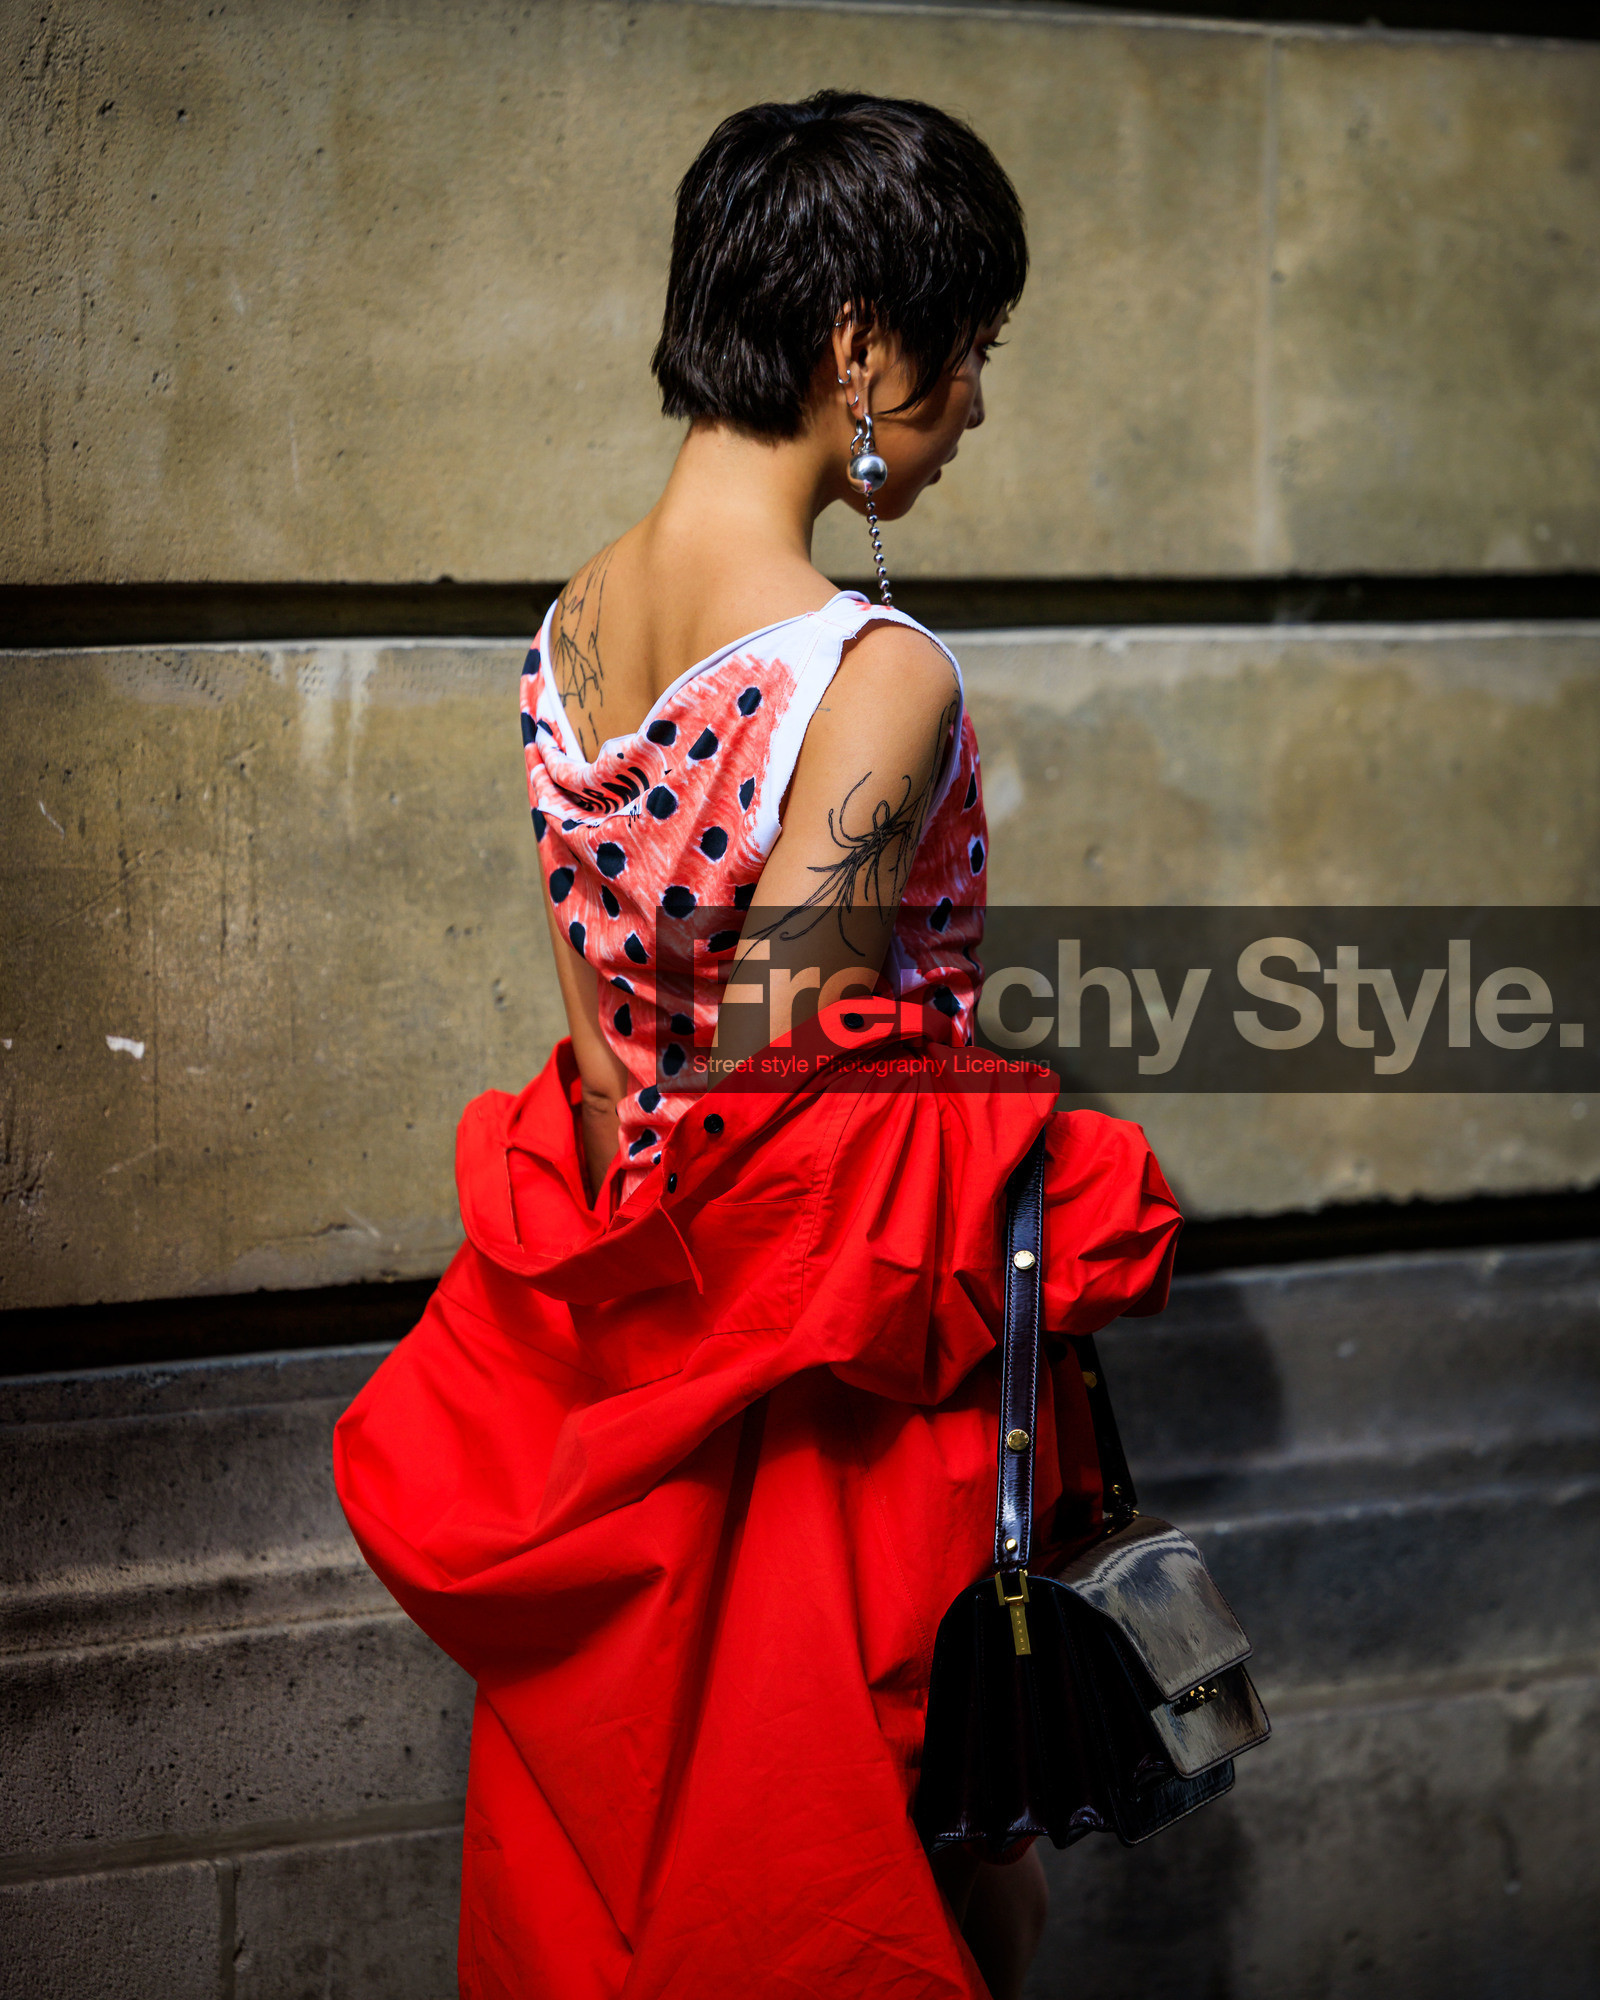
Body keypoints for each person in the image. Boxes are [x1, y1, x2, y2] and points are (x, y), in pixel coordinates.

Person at [335, 93, 1180, 2000]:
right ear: (861, 350)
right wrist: (1035, 1152)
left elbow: (612, 1063)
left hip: (630, 1309)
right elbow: (789, 1081)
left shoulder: (565, 635)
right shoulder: (869, 672)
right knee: (903, 1852)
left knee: (650, 1849)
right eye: (971, 350)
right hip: (822, 1355)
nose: (976, 406)